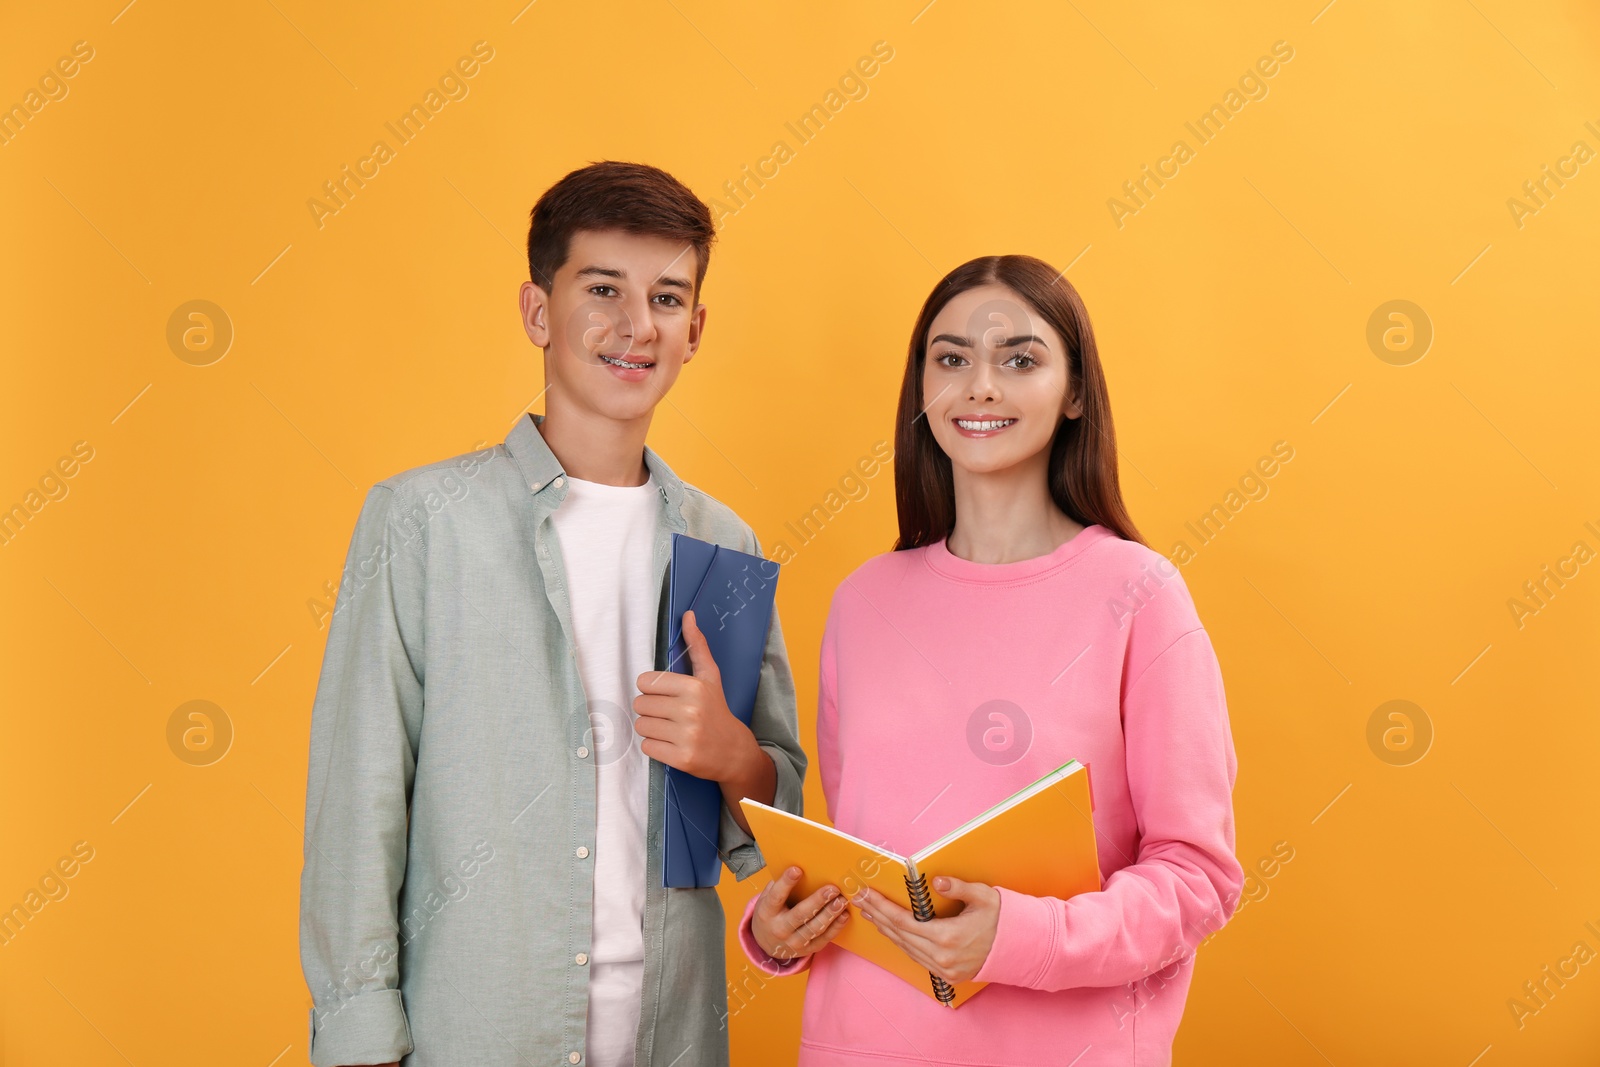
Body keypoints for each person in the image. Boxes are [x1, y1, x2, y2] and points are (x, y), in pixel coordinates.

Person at [299, 161, 806, 1067]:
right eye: (602, 288)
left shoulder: (723, 541)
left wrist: (736, 757)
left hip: (674, 1030)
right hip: (478, 1025)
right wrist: (360, 1035)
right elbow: (359, 796)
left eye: (665, 296)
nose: (634, 324)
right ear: (538, 311)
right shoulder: (421, 521)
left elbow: (778, 811)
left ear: (695, 330)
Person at [739, 254, 1243, 1066]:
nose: (980, 386)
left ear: (1075, 391)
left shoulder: (1139, 595)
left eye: (1019, 358)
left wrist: (1023, 936)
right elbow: (857, 849)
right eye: (951, 359)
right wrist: (779, 924)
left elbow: (1197, 876)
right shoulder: (863, 601)